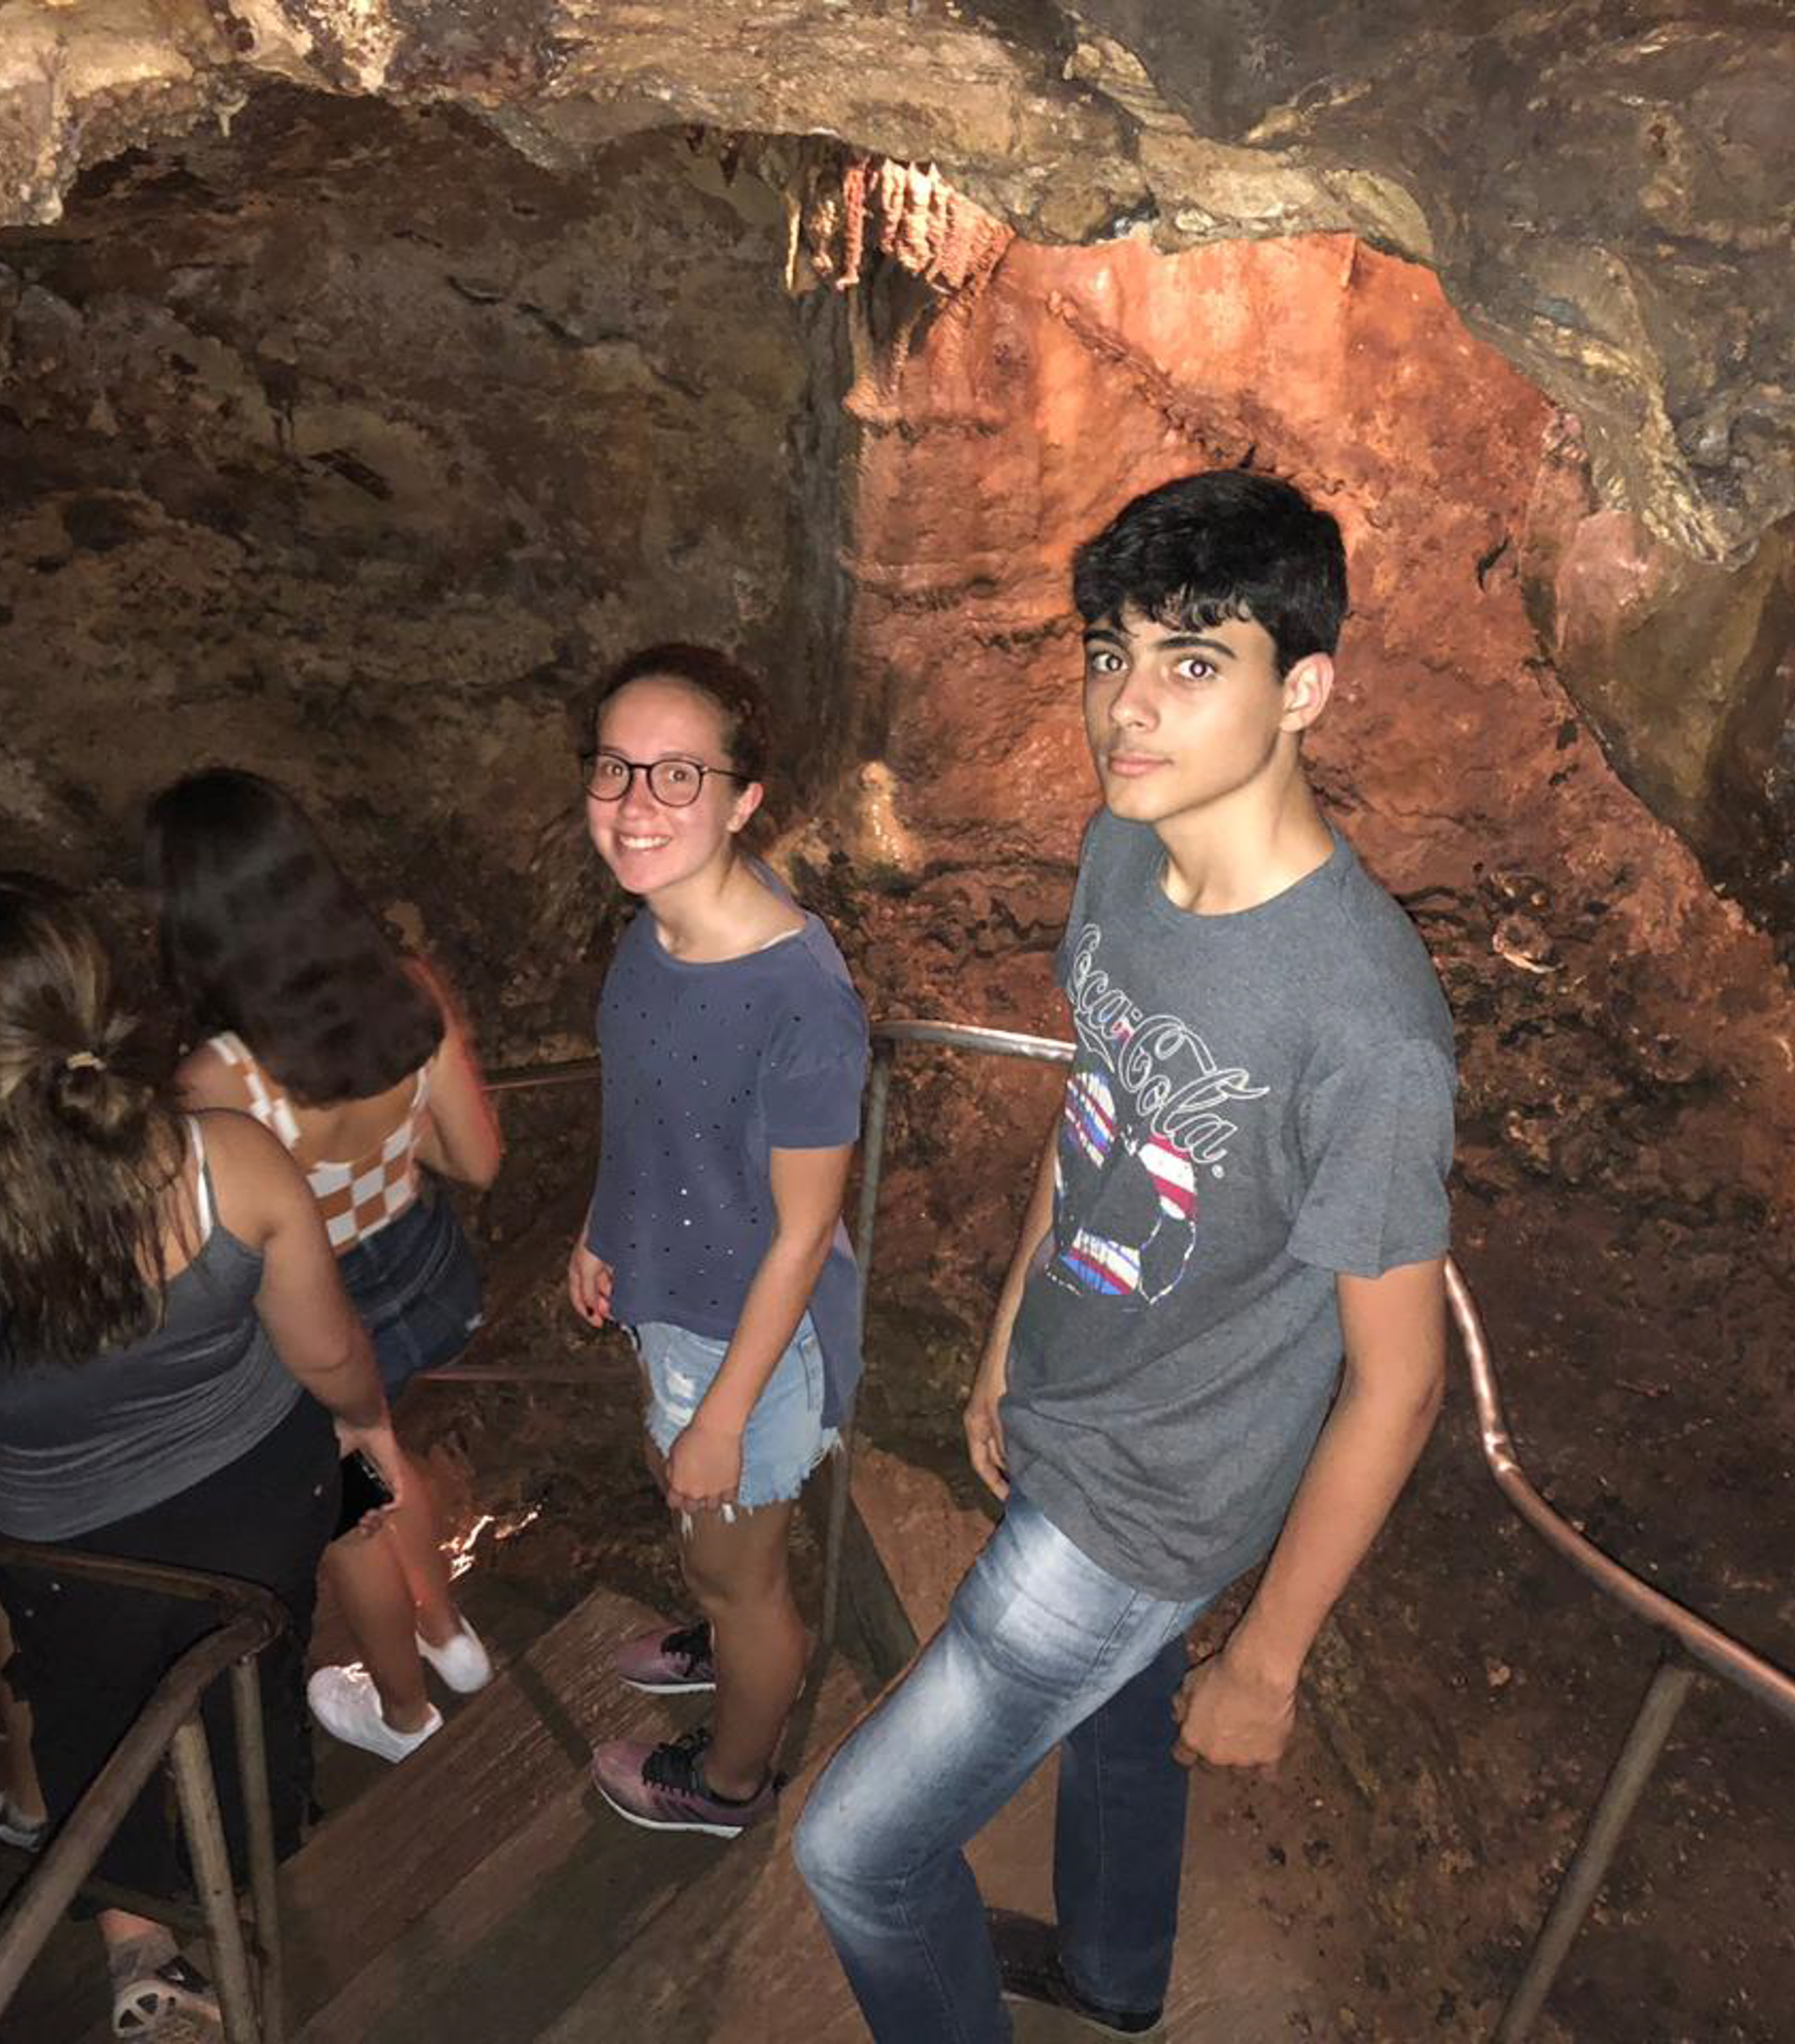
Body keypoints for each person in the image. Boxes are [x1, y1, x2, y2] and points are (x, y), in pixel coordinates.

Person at [792, 470, 1458, 2040]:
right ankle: (1114, 1974)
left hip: (1152, 1503)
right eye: (1111, 653)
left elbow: (1398, 1383)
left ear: (1303, 689)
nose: (1125, 706)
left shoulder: (1364, 1027)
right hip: (1073, 1390)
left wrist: (1268, 1661)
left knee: (858, 1855)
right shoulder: (1119, 851)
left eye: (1191, 661)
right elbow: (1098, 1112)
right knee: (1111, 1724)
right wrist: (1009, 1344)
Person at [0, 872, 409, 2040]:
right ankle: (254, 1870)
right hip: (260, 1500)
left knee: (92, 1719)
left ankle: (142, 1947)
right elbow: (332, 1352)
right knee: (252, 1680)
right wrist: (365, 1421)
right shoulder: (225, 1155)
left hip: (74, 1552)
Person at [566, 644, 869, 1838]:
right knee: (708, 1536)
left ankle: (731, 1784)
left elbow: (803, 1235)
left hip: (752, 1340)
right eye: (615, 767)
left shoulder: (799, 1000)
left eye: (679, 775)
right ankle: (717, 1614)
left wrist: (727, 1419)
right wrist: (601, 1227)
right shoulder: (657, 926)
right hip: (673, 1298)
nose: (636, 803)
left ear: (744, 801)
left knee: (748, 1583)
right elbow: (644, 1105)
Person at [146, 768, 504, 1765]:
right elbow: (476, 1160)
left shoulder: (218, 1077)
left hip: (319, 1325)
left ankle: (404, 1716)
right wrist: (382, 1140)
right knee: (384, 1453)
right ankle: (449, 1637)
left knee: (348, 1519)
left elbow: (211, 1255)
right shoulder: (410, 989)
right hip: (427, 1285)